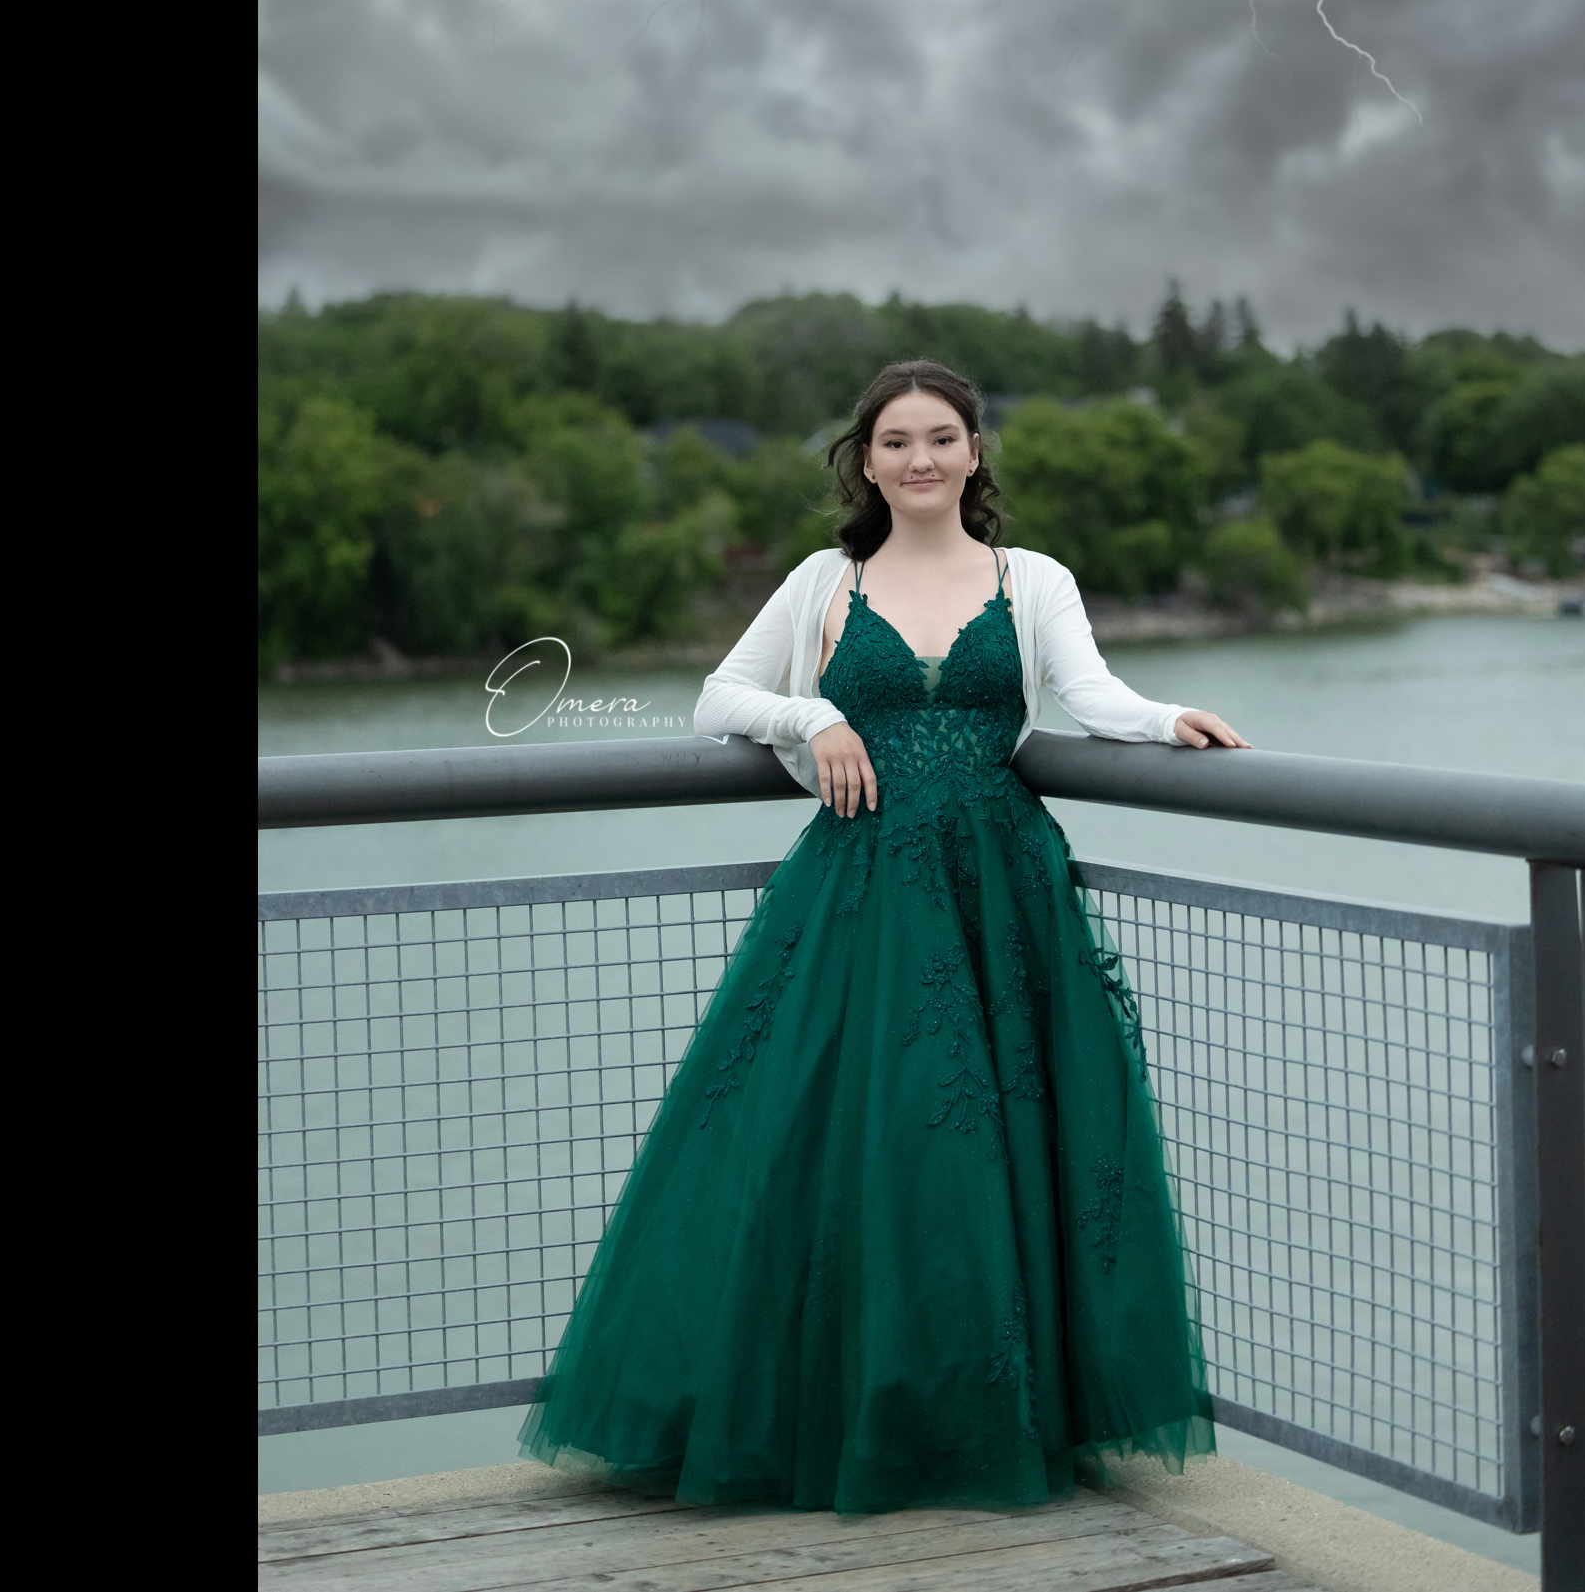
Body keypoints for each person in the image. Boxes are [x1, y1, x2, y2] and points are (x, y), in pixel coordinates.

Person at [520, 359, 1250, 1513]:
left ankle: (988, 1414)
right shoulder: (825, 580)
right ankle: (852, 1411)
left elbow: (1091, 695)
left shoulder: (1031, 578)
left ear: (974, 454)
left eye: (943, 437)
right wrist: (814, 712)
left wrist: (1168, 722)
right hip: (856, 894)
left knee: (991, 1151)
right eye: (898, 440)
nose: (921, 458)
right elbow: (720, 697)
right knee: (856, 1142)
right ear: (867, 460)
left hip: (995, 894)